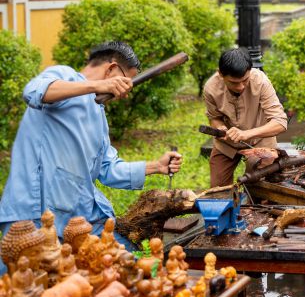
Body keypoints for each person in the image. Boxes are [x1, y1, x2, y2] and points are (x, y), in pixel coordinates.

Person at [0, 41, 182, 255]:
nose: (125, 91)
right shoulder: (64, 76)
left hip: (77, 218)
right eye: (126, 81)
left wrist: (156, 166)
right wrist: (96, 86)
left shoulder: (98, 114)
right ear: (111, 69)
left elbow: (108, 169)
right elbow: (33, 91)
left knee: (125, 265)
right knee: (27, 284)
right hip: (33, 218)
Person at [203, 48, 288, 187]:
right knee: (218, 190)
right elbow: (214, 117)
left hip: (261, 141)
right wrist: (221, 129)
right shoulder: (210, 88)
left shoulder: (260, 82)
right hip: (227, 143)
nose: (241, 86)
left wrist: (245, 134)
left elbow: (280, 122)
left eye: (245, 80)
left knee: (260, 189)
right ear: (220, 74)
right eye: (234, 82)